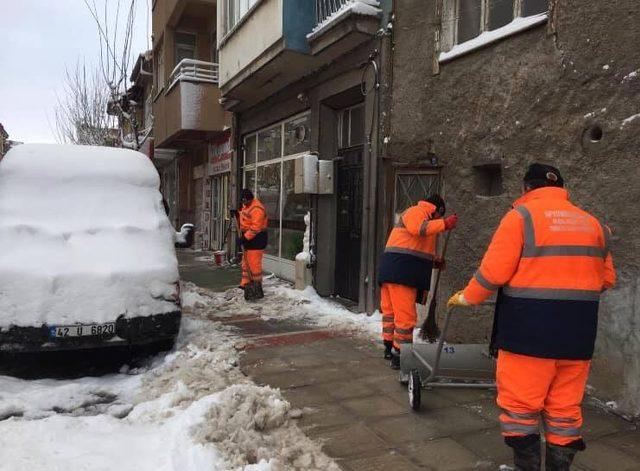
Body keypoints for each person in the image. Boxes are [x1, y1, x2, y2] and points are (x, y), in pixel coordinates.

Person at [448, 163, 616, 470]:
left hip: (528, 335)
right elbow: (606, 280)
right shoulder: (595, 225)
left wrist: (467, 297)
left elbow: (493, 273)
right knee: (565, 410)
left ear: (527, 188)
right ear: (561, 189)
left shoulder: (520, 218)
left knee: (521, 408)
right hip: (578, 336)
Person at [378, 194, 458, 369]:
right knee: (405, 318)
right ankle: (400, 355)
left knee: (390, 313)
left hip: (392, 270)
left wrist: (434, 261)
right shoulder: (418, 212)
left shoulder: (420, 216)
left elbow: (413, 246)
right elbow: (418, 229)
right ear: (438, 210)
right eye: (440, 216)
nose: (440, 220)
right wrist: (444, 224)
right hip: (402, 274)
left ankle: (388, 346)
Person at [232, 188, 268, 299]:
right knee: (246, 261)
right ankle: (245, 283)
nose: (243, 204)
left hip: (257, 238)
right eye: (242, 202)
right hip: (249, 237)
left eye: (245, 201)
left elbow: (256, 228)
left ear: (249, 199)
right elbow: (245, 218)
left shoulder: (257, 208)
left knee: (254, 263)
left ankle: (256, 286)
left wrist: (244, 238)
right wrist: (237, 215)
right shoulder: (247, 206)